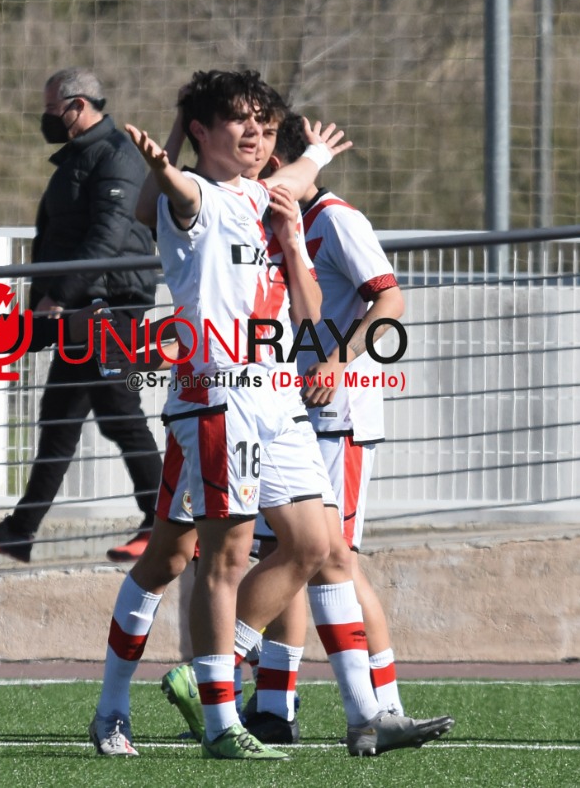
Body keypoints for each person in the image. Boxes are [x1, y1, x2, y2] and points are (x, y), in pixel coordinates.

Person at [92, 70, 448, 760]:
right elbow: (170, 193)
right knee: (205, 557)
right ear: (202, 132)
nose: (256, 134)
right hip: (218, 398)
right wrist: (165, 161)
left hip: (281, 401)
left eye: (263, 122)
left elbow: (311, 312)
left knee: (316, 547)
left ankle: (351, 711)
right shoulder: (200, 196)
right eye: (239, 122)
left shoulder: (273, 195)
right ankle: (208, 718)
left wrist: (291, 240)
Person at [240, 112, 437, 742]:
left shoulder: (338, 219)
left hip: (339, 416)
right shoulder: (288, 224)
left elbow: (391, 300)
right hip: (297, 410)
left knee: (336, 561)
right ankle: (273, 709)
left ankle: (384, 706)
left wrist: (335, 358)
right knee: (288, 558)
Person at [0, 68, 163, 565]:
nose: (46, 118)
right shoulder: (84, 157)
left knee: (120, 417)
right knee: (60, 420)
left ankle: (164, 528)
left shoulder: (115, 156)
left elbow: (108, 237)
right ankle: (20, 530)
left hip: (108, 308)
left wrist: (59, 295)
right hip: (84, 309)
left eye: (51, 108)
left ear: (77, 106)